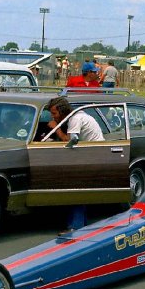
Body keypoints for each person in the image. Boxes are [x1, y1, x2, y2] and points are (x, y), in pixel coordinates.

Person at [46, 97, 104, 233]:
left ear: (62, 111)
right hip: (92, 154)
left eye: (54, 113)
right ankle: (80, 225)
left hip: (92, 156)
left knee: (75, 191)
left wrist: (56, 129)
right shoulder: (78, 116)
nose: (52, 116)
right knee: (79, 192)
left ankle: (75, 227)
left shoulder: (75, 119)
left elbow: (71, 142)